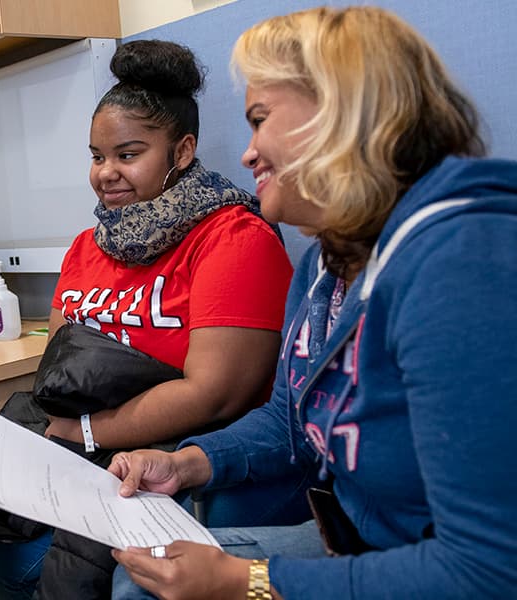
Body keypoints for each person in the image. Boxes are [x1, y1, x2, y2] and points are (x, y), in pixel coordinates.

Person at [109, 6, 517, 599]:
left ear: (341, 113)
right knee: (140, 574)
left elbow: (489, 570)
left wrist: (246, 582)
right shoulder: (326, 265)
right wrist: (187, 462)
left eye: (260, 120)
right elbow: (291, 421)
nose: (248, 154)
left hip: (438, 567)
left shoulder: (461, 263)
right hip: (358, 540)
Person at [0, 40, 307, 600]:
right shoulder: (87, 245)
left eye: (127, 155)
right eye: (97, 156)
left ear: (182, 151)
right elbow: (59, 370)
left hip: (169, 457)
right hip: (80, 455)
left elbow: (215, 396)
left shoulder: (234, 239)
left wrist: (87, 432)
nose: (106, 173)